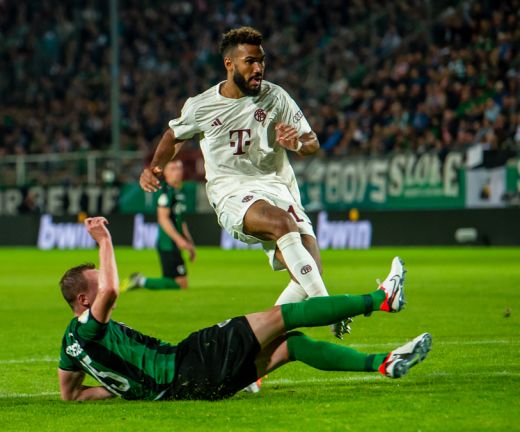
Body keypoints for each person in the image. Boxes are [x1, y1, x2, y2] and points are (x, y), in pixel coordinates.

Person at [58, 217, 431, 401]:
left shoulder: (70, 346)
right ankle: (381, 299)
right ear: (83, 301)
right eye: (96, 282)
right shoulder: (88, 325)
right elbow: (111, 291)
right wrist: (104, 241)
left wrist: (127, 389)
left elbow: (71, 394)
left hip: (194, 390)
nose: (104, 283)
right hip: (190, 361)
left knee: (293, 346)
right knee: (282, 316)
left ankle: (384, 363)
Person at [139, 26, 348, 339]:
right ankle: (329, 307)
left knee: (309, 271)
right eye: (250, 61)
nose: (258, 68)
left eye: (261, 61)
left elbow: (312, 142)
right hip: (231, 191)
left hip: (278, 186)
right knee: (283, 224)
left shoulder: (276, 97)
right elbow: (174, 134)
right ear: (230, 64)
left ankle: (256, 348)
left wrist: (296, 144)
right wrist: (155, 167)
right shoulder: (202, 105)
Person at [122, 160, 195, 291]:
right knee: (181, 284)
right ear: (165, 172)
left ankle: (140, 281)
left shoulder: (180, 191)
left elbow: (181, 221)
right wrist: (179, 240)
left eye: (179, 168)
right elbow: (163, 219)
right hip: (167, 243)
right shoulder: (166, 191)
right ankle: (140, 281)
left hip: (174, 243)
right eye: (173, 169)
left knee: (177, 282)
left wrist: (189, 242)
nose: (177, 172)